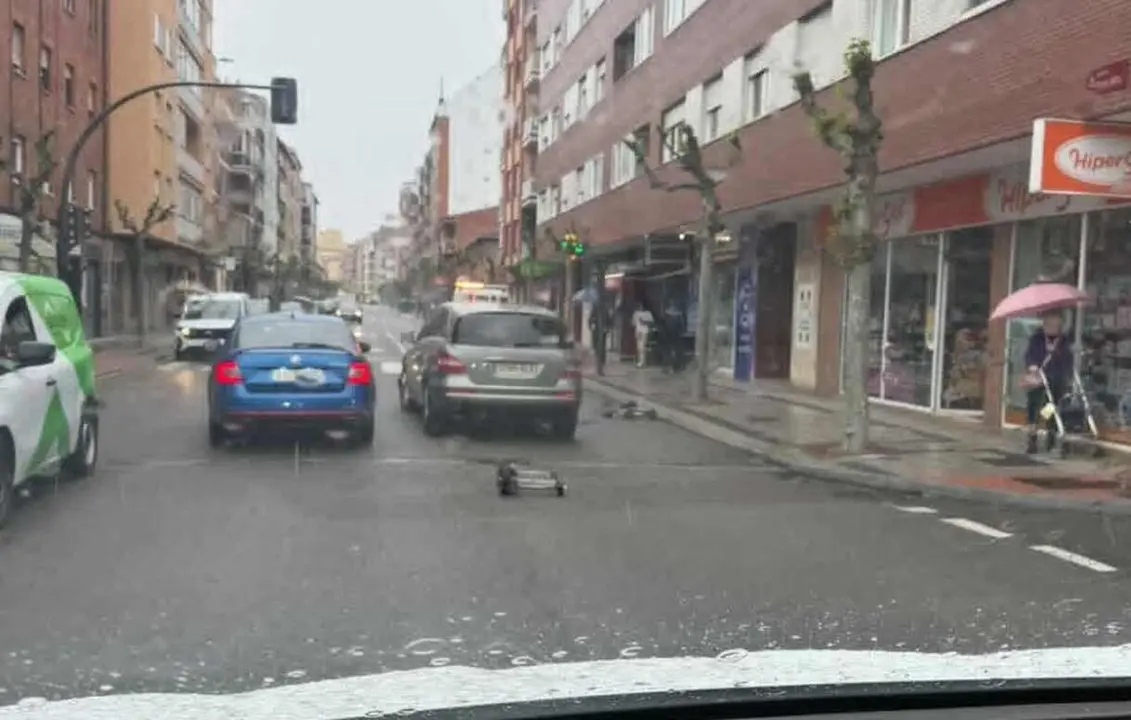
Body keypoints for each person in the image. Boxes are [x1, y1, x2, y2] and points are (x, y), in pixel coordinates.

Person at [1020, 309, 1074, 454]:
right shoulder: (1037, 338)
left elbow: (1067, 359)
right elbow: (1029, 355)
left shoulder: (1063, 340)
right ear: (1044, 322)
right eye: (1049, 321)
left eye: (1056, 321)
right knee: (1034, 408)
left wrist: (1067, 375)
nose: (1053, 324)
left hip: (1056, 379)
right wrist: (1032, 365)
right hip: (1038, 379)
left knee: (1051, 407)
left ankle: (1050, 433)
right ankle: (1032, 438)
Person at [631, 302, 654, 368]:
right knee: (639, 347)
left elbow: (651, 322)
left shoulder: (648, 313)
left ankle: (642, 362)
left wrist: (644, 322)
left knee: (642, 346)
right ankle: (640, 361)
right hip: (638, 331)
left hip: (645, 331)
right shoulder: (636, 313)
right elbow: (633, 323)